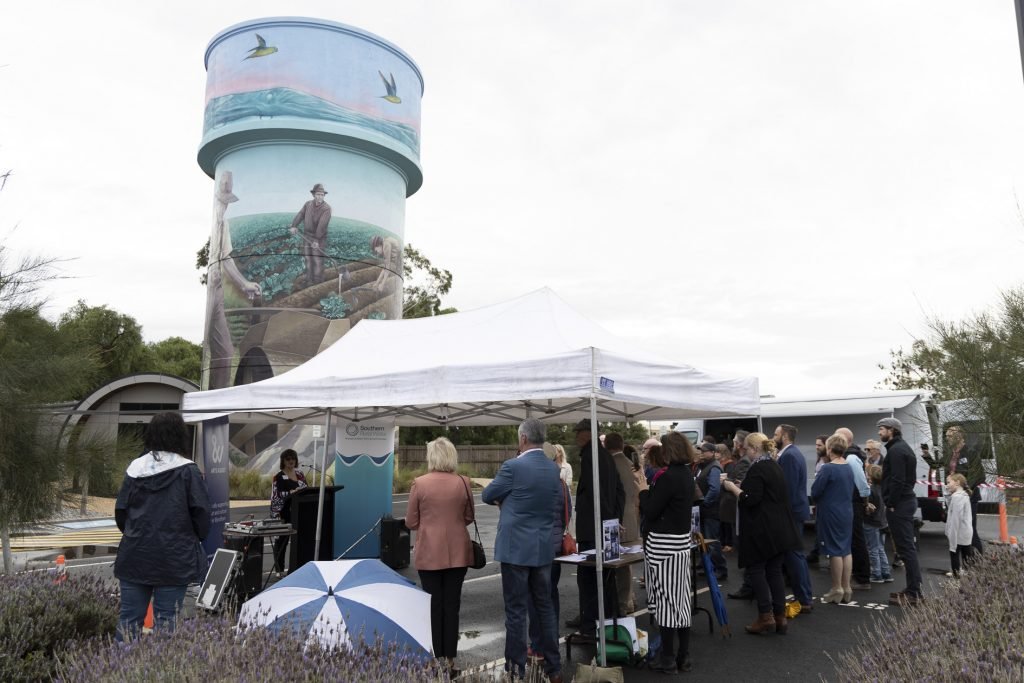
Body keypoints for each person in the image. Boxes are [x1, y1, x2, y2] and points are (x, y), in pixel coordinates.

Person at [114, 412, 210, 640]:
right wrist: (190, 538)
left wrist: (135, 534)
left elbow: (121, 512)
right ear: (180, 435)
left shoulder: (135, 468)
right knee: (167, 622)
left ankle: (122, 662)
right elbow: (201, 514)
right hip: (174, 558)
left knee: (128, 621)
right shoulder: (188, 470)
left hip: (135, 554)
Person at [482, 418, 563, 682]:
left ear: (523, 439)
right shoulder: (553, 469)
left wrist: (505, 500)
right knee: (544, 607)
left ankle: (516, 669)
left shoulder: (513, 466)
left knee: (516, 611)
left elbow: (487, 495)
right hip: (542, 547)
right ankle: (554, 668)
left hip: (516, 548)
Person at [405, 437, 474, 674]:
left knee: (433, 607)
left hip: (429, 553)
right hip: (458, 552)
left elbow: (411, 522)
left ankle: (433, 659)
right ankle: (450, 660)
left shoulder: (419, 484)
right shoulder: (464, 482)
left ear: (431, 457)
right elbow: (469, 517)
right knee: (452, 606)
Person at [720, 432, 800, 634]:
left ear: (755, 448)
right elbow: (764, 494)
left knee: (756, 570)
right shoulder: (774, 465)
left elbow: (750, 499)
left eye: (746, 448)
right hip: (780, 528)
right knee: (774, 571)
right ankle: (780, 616)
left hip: (762, 529)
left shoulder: (758, 468)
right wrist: (744, 487)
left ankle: (766, 616)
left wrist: (733, 488)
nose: (744, 451)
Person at [635, 431, 695, 673]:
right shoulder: (687, 474)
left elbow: (651, 510)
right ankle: (683, 656)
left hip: (663, 547)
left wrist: (643, 489)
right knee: (681, 601)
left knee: (666, 603)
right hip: (680, 544)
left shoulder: (668, 477)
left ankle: (668, 658)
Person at [205, 170, 262, 389]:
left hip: (218, 289)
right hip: (211, 289)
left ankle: (218, 401)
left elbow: (225, 257)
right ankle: (210, 402)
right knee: (212, 348)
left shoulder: (223, 223)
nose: (225, 205)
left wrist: (244, 284)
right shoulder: (213, 220)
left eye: (228, 201)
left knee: (225, 351)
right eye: (224, 200)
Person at [568, 418, 624, 635]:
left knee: (589, 578)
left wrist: (607, 519)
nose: (576, 437)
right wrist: (615, 519)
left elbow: (595, 493)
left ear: (588, 433)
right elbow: (619, 491)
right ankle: (608, 620)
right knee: (606, 579)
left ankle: (590, 626)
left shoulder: (591, 456)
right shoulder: (606, 456)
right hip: (606, 526)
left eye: (579, 432)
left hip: (593, 529)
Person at [879, 417, 923, 606]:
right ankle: (912, 589)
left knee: (906, 549)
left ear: (892, 430)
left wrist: (891, 502)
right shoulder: (901, 448)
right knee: (906, 549)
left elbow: (898, 479)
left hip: (900, 504)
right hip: (904, 501)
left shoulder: (896, 450)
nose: (880, 432)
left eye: (882, 429)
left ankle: (914, 593)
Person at [772, 424, 813, 611]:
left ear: (785, 436)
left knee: (794, 555)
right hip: (794, 511)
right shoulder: (792, 453)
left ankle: (803, 599)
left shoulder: (789, 456)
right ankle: (804, 597)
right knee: (795, 555)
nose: (773, 437)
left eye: (776, 434)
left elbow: (786, 488)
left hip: (790, 513)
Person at [811, 434, 855, 604]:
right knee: (846, 550)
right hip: (846, 511)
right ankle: (847, 587)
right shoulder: (848, 466)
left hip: (831, 512)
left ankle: (837, 588)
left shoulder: (827, 468)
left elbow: (816, 491)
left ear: (830, 448)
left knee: (835, 551)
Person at [606, 432, 640, 614]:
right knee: (627, 563)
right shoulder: (630, 463)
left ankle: (623, 603)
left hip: (618, 520)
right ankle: (630, 599)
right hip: (632, 518)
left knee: (620, 565)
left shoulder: (610, 464)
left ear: (606, 446)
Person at [836, 427, 872, 590]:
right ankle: (857, 574)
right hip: (852, 502)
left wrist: (865, 502)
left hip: (854, 502)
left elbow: (862, 484)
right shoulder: (849, 455)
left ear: (845, 440)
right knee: (852, 540)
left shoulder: (850, 457)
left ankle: (863, 578)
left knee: (857, 540)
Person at [945, 426, 985, 554]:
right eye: (946, 436)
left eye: (950, 436)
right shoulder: (950, 454)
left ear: (959, 436)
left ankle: (979, 559)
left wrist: (966, 488)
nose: (947, 439)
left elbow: (980, 475)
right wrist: (926, 455)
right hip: (955, 496)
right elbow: (937, 465)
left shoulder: (970, 452)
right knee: (959, 529)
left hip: (968, 495)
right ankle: (966, 560)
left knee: (969, 528)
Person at [270, 448, 307, 573]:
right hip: (284, 513)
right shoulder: (278, 476)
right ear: (283, 461)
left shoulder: (300, 474)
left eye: (293, 458)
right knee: (282, 542)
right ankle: (279, 570)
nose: (291, 461)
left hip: (300, 512)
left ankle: (298, 568)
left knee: (300, 541)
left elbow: (306, 489)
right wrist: (291, 492)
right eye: (288, 459)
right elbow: (277, 495)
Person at [694, 442, 727, 580]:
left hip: (710, 510)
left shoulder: (714, 467)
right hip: (704, 510)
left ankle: (721, 568)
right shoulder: (703, 466)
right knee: (704, 541)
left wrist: (704, 503)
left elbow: (714, 489)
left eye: (704, 451)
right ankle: (707, 566)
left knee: (712, 541)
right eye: (700, 451)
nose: (701, 453)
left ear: (713, 453)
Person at [289, 183, 332, 285]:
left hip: (319, 239)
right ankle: (309, 280)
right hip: (306, 236)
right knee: (308, 258)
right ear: (313, 195)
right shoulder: (308, 204)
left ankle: (318, 282)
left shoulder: (326, 209)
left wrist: (316, 240)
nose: (320, 197)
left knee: (317, 260)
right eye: (318, 194)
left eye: (322, 195)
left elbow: (322, 226)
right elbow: (301, 214)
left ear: (324, 196)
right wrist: (294, 225)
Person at [863, 464, 893, 584]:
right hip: (882, 522)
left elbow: (868, 509)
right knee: (881, 548)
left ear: (871, 477)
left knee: (873, 549)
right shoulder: (884, 489)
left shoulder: (870, 491)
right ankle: (886, 572)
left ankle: (876, 574)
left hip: (872, 523)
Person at [945, 473, 976, 577]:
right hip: (966, 530)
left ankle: (956, 574)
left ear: (957, 483)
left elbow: (955, 519)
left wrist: (952, 535)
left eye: (949, 482)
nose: (947, 485)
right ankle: (968, 575)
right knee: (966, 554)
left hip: (959, 532)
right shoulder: (963, 495)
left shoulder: (957, 497)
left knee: (954, 552)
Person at [806, 434, 831, 566]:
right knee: (819, 527)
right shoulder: (819, 460)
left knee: (825, 528)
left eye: (819, 445)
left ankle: (821, 553)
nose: (816, 447)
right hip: (819, 501)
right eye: (816, 445)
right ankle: (816, 552)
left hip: (827, 501)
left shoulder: (828, 463)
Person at [715, 443, 735, 551]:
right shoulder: (719, 463)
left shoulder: (729, 464)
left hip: (727, 496)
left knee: (727, 521)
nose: (716, 454)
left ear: (723, 453)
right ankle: (723, 542)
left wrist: (724, 480)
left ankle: (729, 543)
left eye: (717, 452)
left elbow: (731, 478)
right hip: (721, 495)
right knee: (722, 520)